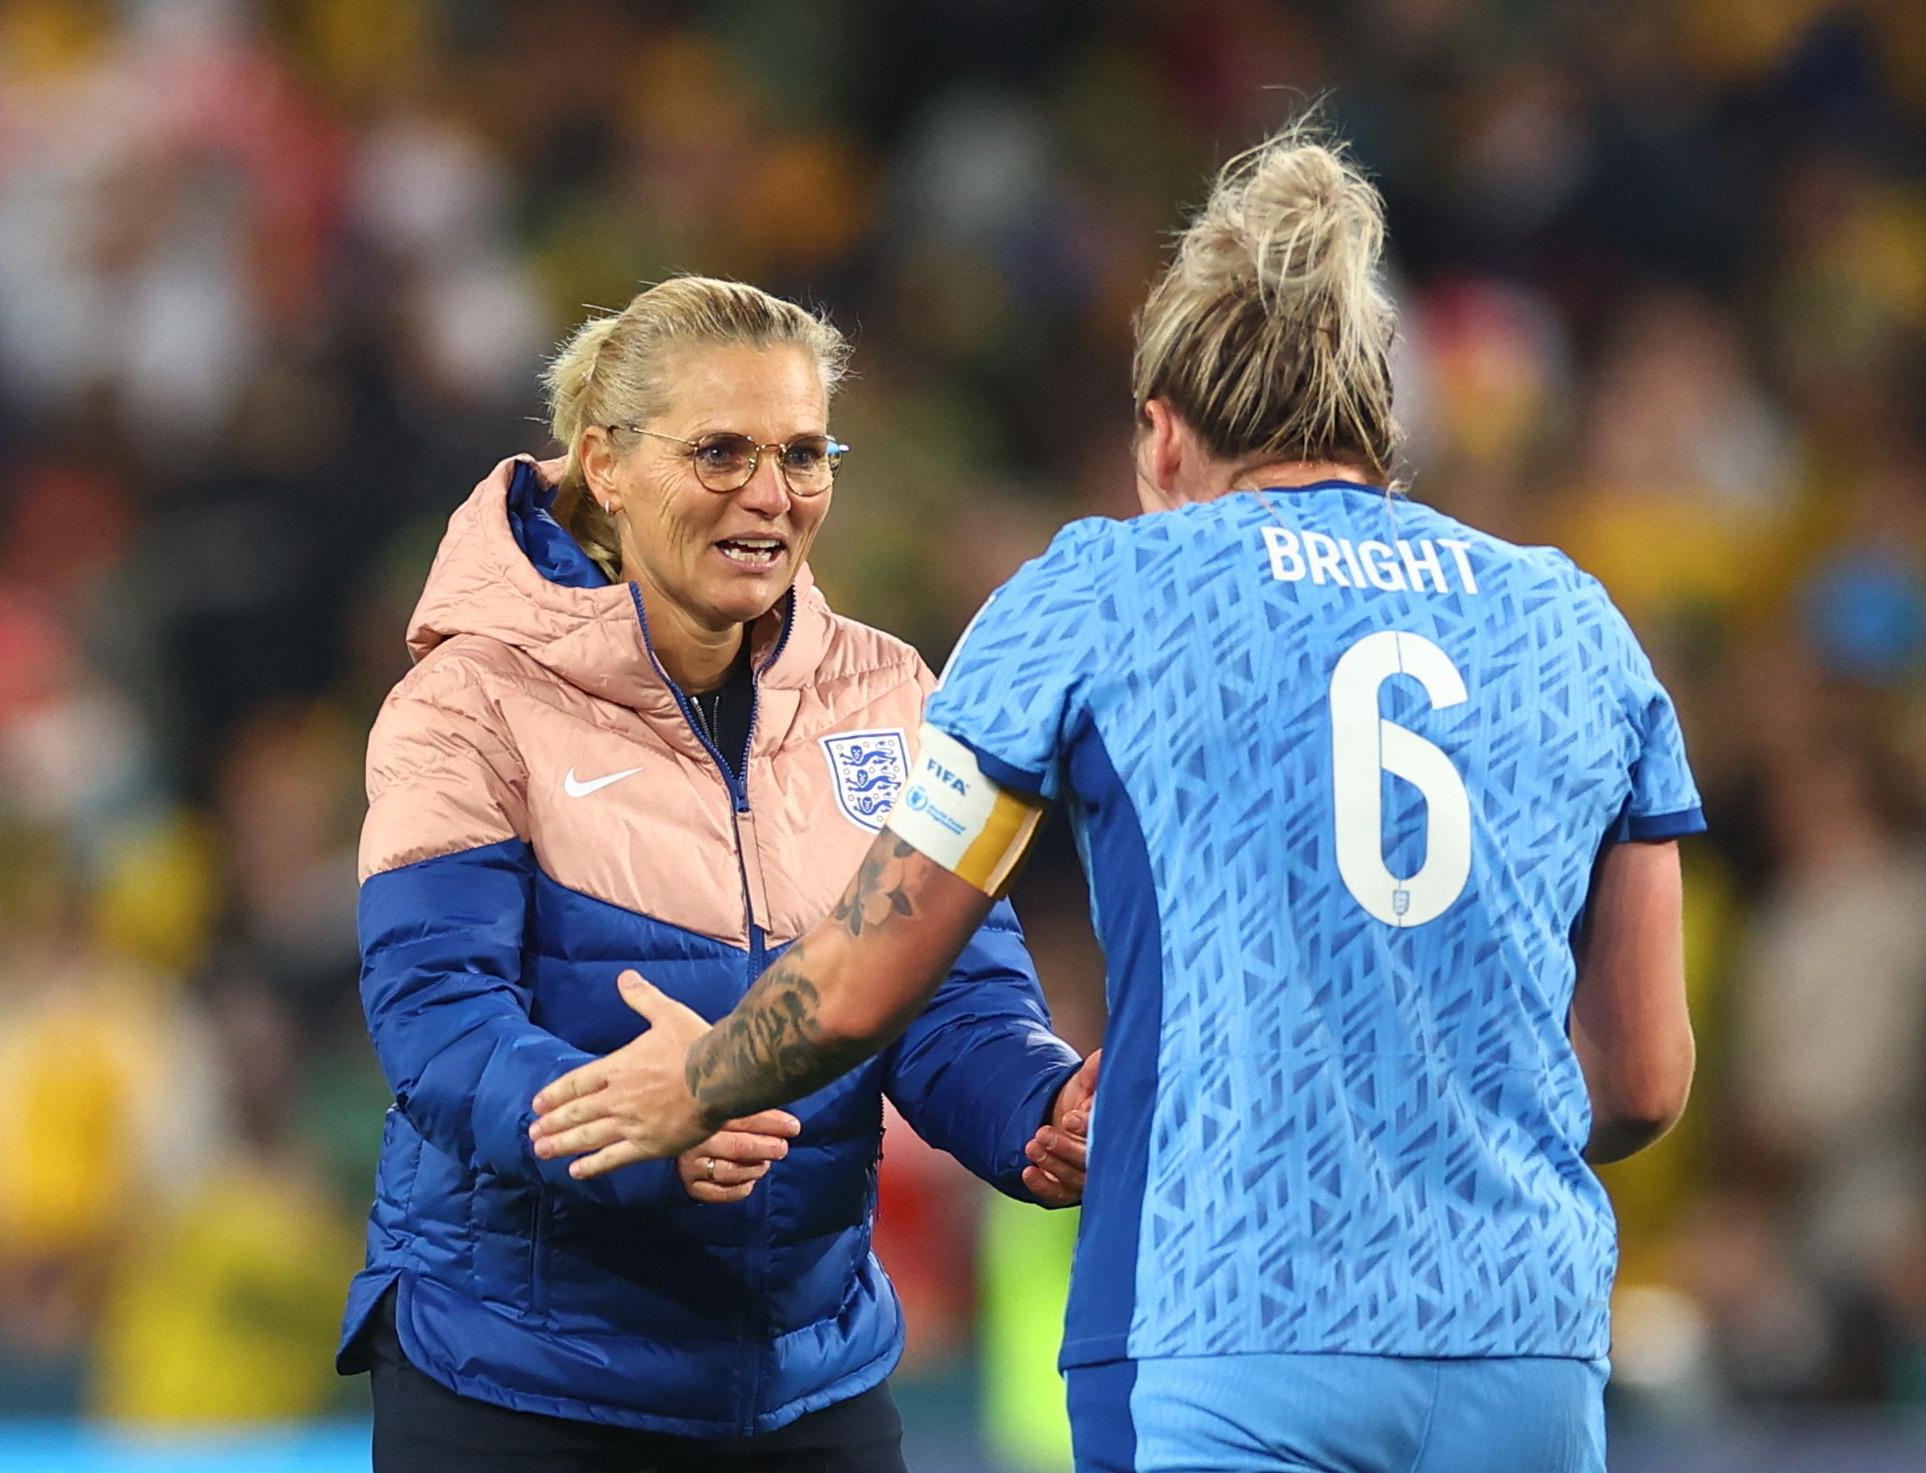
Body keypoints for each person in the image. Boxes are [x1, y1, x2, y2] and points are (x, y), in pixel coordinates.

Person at [528, 127, 1703, 1473]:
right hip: (1526, 1343)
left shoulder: (1100, 592)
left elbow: (864, 975)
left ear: (1160, 435)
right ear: (1382, 431)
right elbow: (1641, 1078)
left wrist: (698, 1080)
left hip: (1223, 1334)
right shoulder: (1574, 621)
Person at [340, 275, 1099, 1473]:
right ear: (606, 463)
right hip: (519, 1385)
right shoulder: (466, 702)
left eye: (803, 454)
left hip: (808, 1381)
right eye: (720, 452)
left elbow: (945, 991)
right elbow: (438, 1025)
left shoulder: (888, 692)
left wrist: (1039, 1111)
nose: (770, 495)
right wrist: (640, 1123)